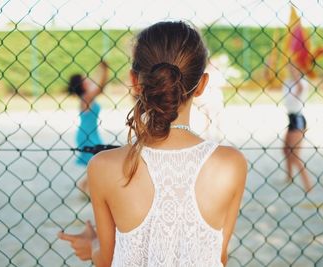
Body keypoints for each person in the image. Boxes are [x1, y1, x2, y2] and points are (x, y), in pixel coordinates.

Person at [61, 21, 247, 267]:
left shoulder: (103, 166)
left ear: (135, 82)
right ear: (201, 85)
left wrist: (92, 246)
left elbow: (106, 260)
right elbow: (218, 256)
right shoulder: (231, 164)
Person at [68, 61, 108, 194]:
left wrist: (100, 69)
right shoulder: (87, 98)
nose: (89, 79)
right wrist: (104, 70)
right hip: (87, 136)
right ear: (83, 85)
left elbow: (97, 85)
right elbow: (100, 86)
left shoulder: (86, 97)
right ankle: (87, 188)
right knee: (99, 162)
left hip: (90, 134)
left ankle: (84, 187)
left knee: (98, 162)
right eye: (86, 78)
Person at [282, 63, 312, 192]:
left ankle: (308, 185)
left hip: (298, 119)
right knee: (285, 150)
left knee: (295, 155)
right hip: (291, 118)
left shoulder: (302, 82)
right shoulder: (288, 82)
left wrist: (296, 73)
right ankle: (289, 177)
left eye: (294, 68)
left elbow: (299, 89)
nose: (291, 69)